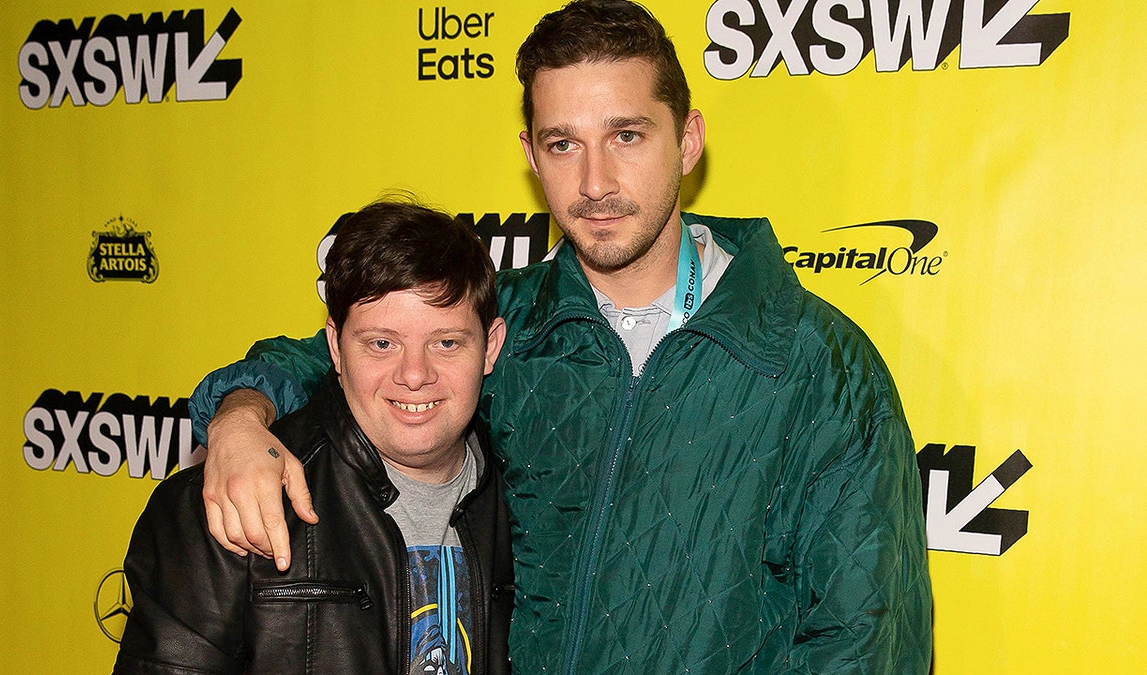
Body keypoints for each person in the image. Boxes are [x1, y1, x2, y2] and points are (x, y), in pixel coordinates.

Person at [190, 1, 933, 672]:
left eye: (627, 135)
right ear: (530, 154)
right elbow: (351, 352)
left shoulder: (814, 361)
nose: (596, 181)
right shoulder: (502, 327)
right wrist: (240, 412)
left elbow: (865, 641)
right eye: (563, 144)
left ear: (690, 139)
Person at [115, 199, 514, 674]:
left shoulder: (531, 502)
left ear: (490, 347)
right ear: (335, 348)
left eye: (446, 343)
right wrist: (241, 411)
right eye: (381, 343)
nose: (414, 375)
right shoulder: (229, 504)